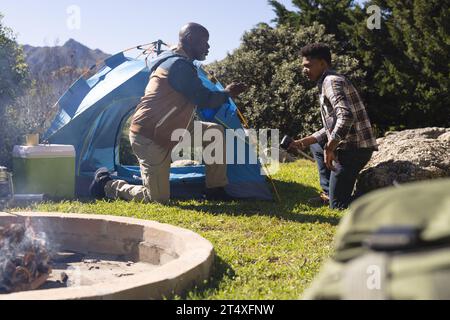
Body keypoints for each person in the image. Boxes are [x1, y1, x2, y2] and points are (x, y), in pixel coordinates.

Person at [89, 23, 246, 203]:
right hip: (150, 136)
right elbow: (204, 99)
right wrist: (227, 93)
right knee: (157, 198)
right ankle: (107, 184)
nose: (208, 47)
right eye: (204, 42)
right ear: (190, 40)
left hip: (173, 129)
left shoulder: (175, 59)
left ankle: (215, 189)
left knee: (214, 133)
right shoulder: (179, 66)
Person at [289, 43, 378, 210]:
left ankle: (382, 197)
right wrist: (302, 142)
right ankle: (329, 193)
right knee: (316, 144)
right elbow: (332, 125)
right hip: (345, 147)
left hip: (354, 150)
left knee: (338, 206)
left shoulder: (331, 82)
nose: (304, 70)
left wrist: (330, 148)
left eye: (308, 66)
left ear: (323, 63)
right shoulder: (325, 82)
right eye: (303, 66)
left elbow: (346, 116)